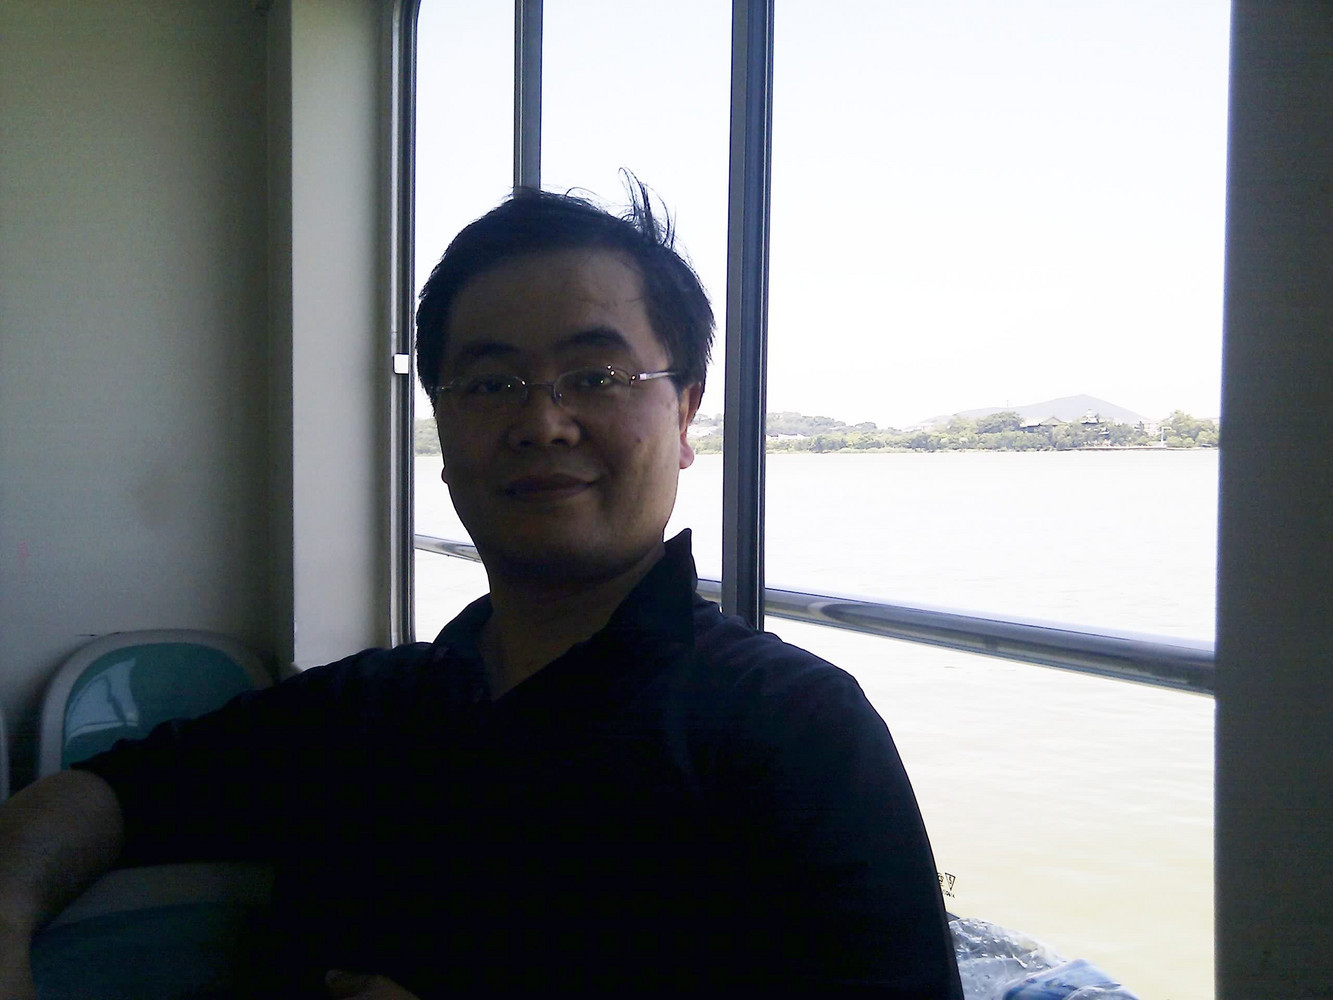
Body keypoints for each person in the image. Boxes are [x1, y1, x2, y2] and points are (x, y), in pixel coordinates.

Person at [0, 184, 964, 998]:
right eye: (491, 384)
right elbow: (107, 794)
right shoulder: (371, 708)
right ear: (442, 429)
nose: (543, 422)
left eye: (595, 375)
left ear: (683, 415)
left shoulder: (788, 730)